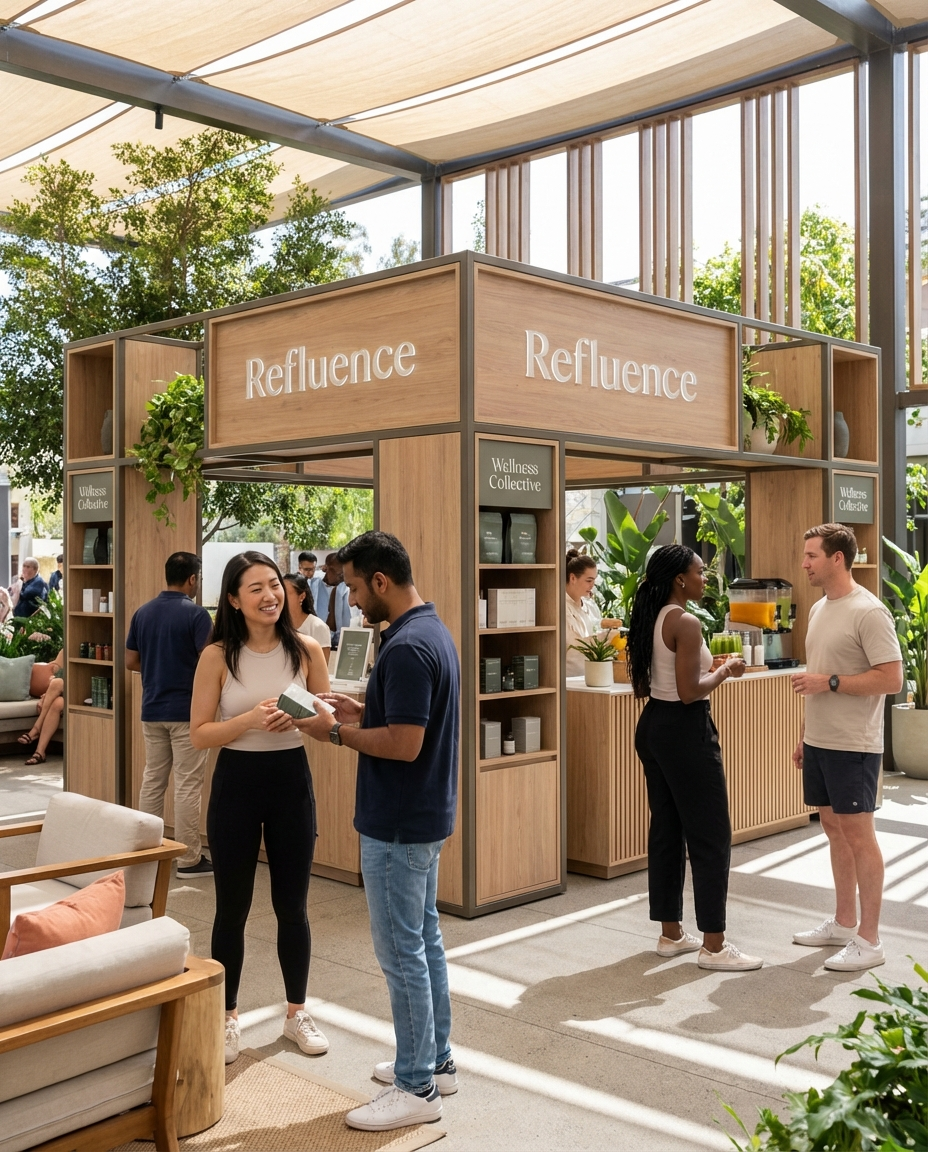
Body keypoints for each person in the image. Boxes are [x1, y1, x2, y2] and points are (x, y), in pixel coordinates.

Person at [303, 531, 459, 1133]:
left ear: (381, 582)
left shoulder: (404, 648)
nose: (353, 602)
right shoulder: (431, 631)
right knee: (424, 941)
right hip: (422, 814)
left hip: (397, 822)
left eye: (356, 588)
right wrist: (356, 713)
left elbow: (404, 743)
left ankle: (415, 1086)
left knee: (402, 956)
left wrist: (333, 734)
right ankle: (434, 1062)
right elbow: (402, 722)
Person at [190, 550, 330, 1066]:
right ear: (233, 599)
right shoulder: (217, 656)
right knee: (233, 908)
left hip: (291, 780)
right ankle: (227, 1018)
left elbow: (326, 716)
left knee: (292, 907)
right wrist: (250, 718)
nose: (270, 595)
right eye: (256, 588)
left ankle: (296, 1013)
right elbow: (201, 733)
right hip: (236, 785)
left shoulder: (309, 649)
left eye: (275, 584)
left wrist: (302, 718)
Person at [627, 544, 762, 971]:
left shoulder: (653, 616)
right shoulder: (685, 623)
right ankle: (715, 946)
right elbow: (689, 691)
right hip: (685, 730)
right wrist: (725, 671)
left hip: (654, 727)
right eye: (700, 572)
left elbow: (667, 680)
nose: (706, 579)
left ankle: (671, 934)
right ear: (679, 579)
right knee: (711, 834)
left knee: (667, 830)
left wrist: (709, 668)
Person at [791, 523, 903, 971]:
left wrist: (831, 683)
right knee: (833, 829)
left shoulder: (869, 612)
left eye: (812, 556)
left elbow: (892, 678)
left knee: (860, 836)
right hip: (820, 741)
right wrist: (805, 735)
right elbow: (818, 673)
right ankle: (843, 921)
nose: (805, 564)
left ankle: (870, 940)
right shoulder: (820, 608)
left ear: (837, 558)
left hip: (854, 745)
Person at [126, 552, 214, 879]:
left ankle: (145, 852)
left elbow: (130, 661)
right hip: (187, 711)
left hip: (152, 709)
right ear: (192, 578)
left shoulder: (143, 613)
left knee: (153, 780)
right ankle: (189, 860)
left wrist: (158, 671)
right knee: (188, 785)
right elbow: (210, 663)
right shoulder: (196, 615)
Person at [19, 648, 64, 766]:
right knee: (57, 702)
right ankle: (40, 752)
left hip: (80, 692)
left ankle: (36, 728)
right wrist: (47, 695)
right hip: (63, 694)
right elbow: (55, 674)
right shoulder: (66, 651)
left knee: (57, 683)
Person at [565, 548, 602, 677]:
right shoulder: (560, 608)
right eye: (588, 580)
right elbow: (574, 648)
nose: (592, 585)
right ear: (573, 578)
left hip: (593, 675)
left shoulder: (590, 606)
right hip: (570, 680)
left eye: (594, 580)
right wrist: (606, 638)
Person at [283, 573, 331, 664]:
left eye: (286, 593)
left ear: (302, 596)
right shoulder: (276, 625)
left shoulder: (317, 626)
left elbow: (322, 669)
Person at [314, 551, 351, 648]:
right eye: (338, 574)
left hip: (339, 643)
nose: (341, 578)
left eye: (343, 575)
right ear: (325, 568)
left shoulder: (346, 587)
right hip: (316, 641)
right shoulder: (314, 585)